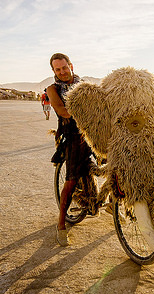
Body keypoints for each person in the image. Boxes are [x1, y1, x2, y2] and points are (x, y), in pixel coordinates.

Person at [47, 53, 91, 246]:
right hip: (73, 135)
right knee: (71, 180)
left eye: (64, 67)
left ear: (71, 66)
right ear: (54, 71)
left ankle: (113, 204)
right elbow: (61, 110)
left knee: (115, 165)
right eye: (58, 69)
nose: (62, 72)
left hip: (92, 131)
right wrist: (90, 111)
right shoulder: (52, 89)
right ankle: (61, 225)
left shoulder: (84, 85)